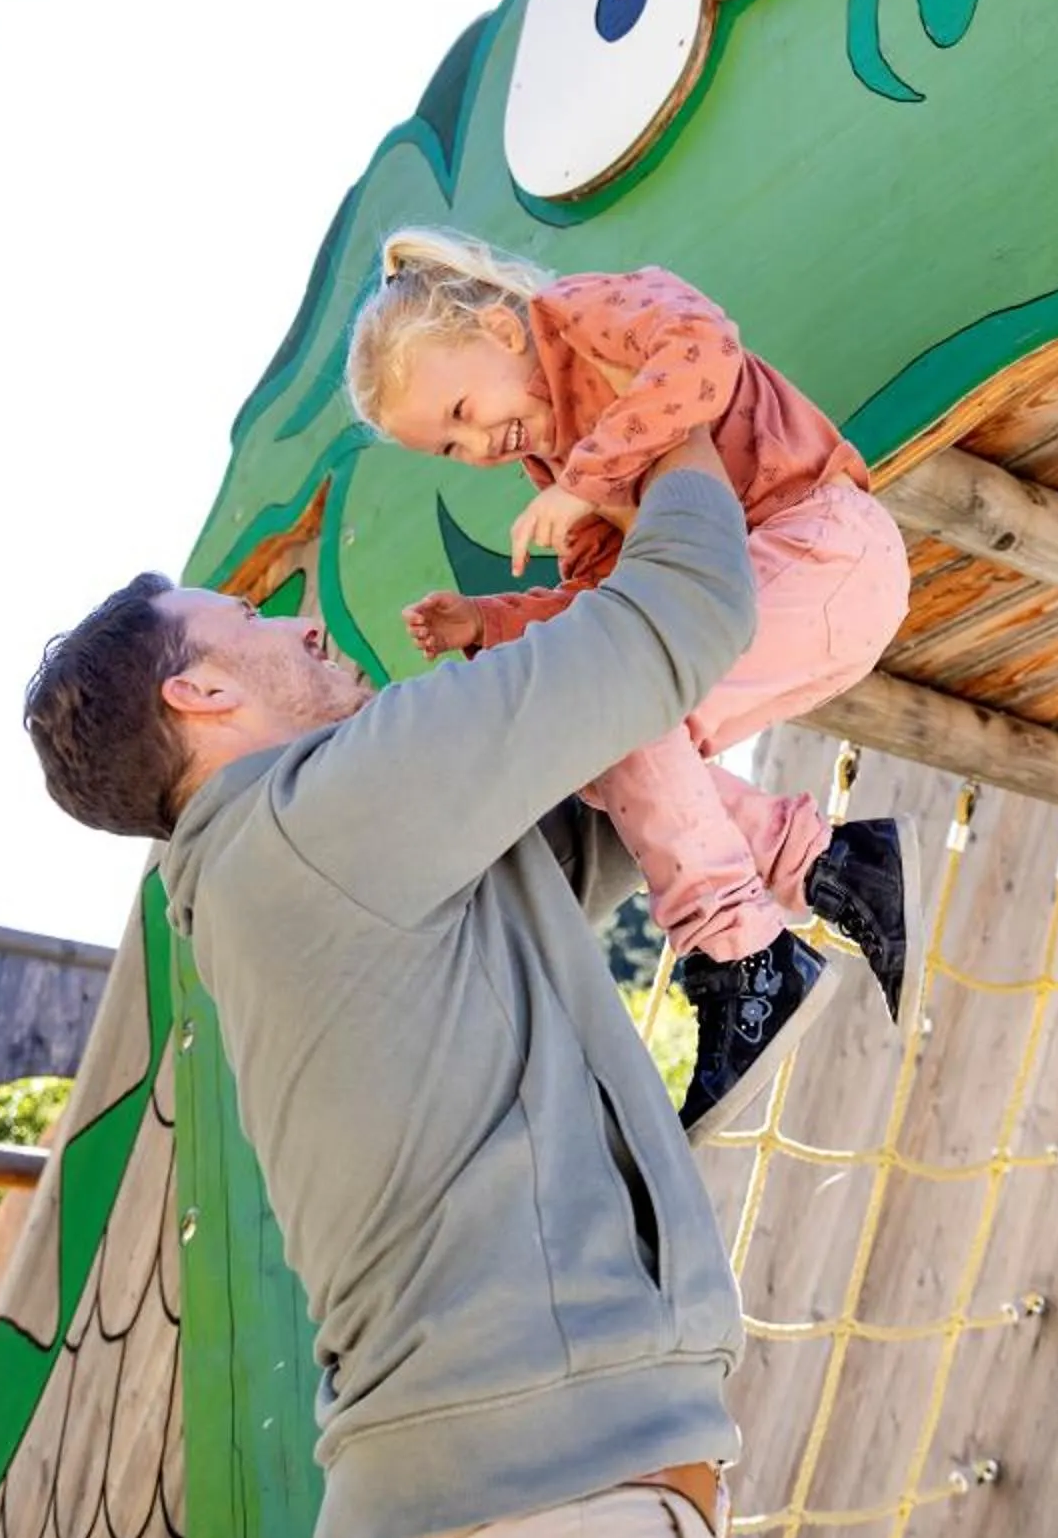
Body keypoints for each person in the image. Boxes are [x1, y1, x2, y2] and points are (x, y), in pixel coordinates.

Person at [25, 435, 766, 1538]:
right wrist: (683, 428)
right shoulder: (325, 810)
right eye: (254, 618)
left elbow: (586, 829)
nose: (305, 620)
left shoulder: (285, 868)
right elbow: (683, 618)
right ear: (198, 691)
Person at [344, 229, 918, 1136]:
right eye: (449, 450)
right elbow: (597, 602)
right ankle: (828, 868)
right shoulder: (556, 468)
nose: (474, 443)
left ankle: (746, 952)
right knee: (596, 721)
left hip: (823, 546)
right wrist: (490, 622)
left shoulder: (582, 315)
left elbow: (702, 353)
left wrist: (589, 476)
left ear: (500, 332)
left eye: (460, 410)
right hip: (791, 595)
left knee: (613, 697)